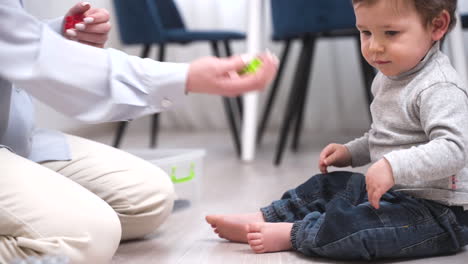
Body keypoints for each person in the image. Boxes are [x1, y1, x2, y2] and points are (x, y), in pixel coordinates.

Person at [0, 0, 278, 263]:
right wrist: (185, 78)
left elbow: (13, 38)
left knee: (149, 199)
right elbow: (23, 48)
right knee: (89, 236)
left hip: (15, 134)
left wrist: (58, 35)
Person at [206, 0, 468, 260]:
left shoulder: (439, 87)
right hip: (391, 194)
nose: (375, 47)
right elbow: (387, 137)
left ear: (437, 26)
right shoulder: (389, 76)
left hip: (438, 213)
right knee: (327, 186)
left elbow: (454, 149)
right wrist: (351, 152)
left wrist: (392, 166)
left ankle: (295, 233)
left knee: (358, 227)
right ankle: (264, 217)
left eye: (391, 33)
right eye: (366, 33)